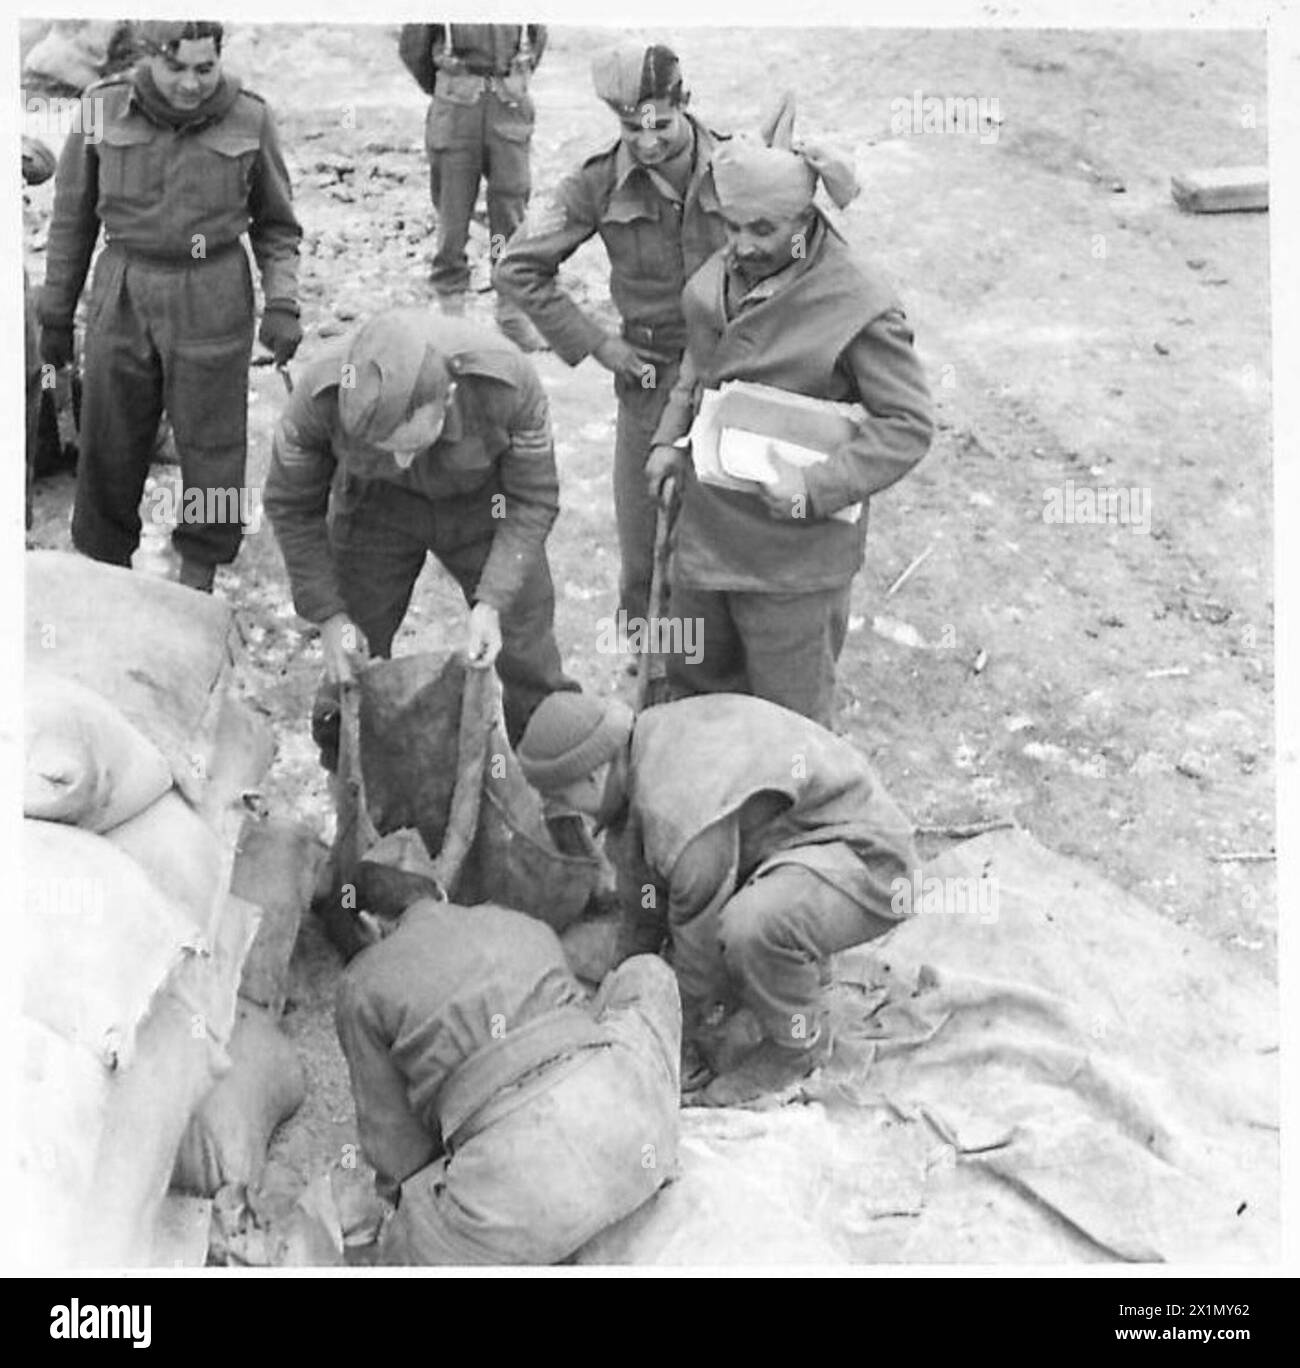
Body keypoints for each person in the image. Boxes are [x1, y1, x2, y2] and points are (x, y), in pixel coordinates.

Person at [643, 105, 935, 726]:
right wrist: (669, 439)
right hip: (707, 538)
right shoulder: (722, 274)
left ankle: (793, 824)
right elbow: (700, 361)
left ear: (807, 220)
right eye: (730, 227)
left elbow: (907, 425)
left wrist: (814, 487)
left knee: (789, 722)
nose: (742, 246)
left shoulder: (861, 303)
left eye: (763, 230)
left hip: (794, 560)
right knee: (698, 693)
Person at [516, 690, 919, 1106]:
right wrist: (621, 989)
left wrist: (671, 1036)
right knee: (732, 930)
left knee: (750, 927)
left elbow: (700, 949)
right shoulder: (642, 750)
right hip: (801, 839)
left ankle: (799, 1045)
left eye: (559, 796)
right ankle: (795, 964)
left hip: (871, 861)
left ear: (593, 776)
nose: (554, 808)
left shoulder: (676, 813)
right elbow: (644, 902)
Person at [38, 19, 302, 592]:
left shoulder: (250, 117)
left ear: (220, 61)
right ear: (146, 59)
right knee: (109, 433)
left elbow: (278, 226)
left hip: (213, 290)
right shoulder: (100, 109)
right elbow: (72, 220)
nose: (190, 84)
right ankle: (104, 576)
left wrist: (283, 302)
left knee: (214, 442)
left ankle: (199, 579)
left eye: (204, 69)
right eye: (176, 67)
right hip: (125, 287)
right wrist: (56, 316)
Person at [263, 306, 578, 749]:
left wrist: (491, 602)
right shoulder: (320, 396)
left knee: (527, 651)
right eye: (388, 449)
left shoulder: (505, 382)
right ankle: (353, 782)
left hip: (487, 506)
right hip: (376, 507)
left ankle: (555, 776)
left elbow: (533, 499)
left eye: (413, 445)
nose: (404, 462)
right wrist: (330, 616)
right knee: (353, 660)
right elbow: (291, 506)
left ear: (447, 398)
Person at [494, 42, 729, 632]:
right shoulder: (597, 183)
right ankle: (647, 668)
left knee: (730, 531)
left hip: (732, 370)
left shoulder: (738, 166)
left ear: (685, 103)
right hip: (650, 374)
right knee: (646, 539)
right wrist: (600, 343)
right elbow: (517, 267)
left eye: (661, 125)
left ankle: (721, 670)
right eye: (631, 129)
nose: (648, 143)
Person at [335, 898, 681, 1265]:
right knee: (646, 973)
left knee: (409, 1241)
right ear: (439, 894)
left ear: (369, 922)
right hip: (641, 1131)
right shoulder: (518, 918)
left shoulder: (363, 980)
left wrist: (413, 1209)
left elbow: (397, 1149)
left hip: (528, 1199)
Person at [398, 22, 548, 351]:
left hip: (508, 106)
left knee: (510, 214)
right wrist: (449, 82)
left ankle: (511, 314)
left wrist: (511, 76)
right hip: (456, 108)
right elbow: (414, 47)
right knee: (453, 219)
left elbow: (537, 37)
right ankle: (452, 314)